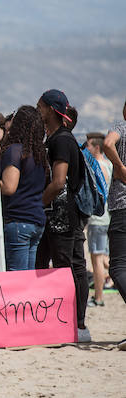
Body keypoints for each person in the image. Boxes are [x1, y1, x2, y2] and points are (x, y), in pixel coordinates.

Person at [34, 89, 92, 343]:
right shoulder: (56, 138)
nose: (37, 111)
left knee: (66, 268)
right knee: (60, 267)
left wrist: (38, 204)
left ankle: (75, 324)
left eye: (40, 107)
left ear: (50, 110)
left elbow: (58, 182)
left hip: (62, 217)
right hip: (58, 217)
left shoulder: (62, 141)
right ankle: (64, 323)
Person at [0, 106, 48, 271]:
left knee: (16, 279)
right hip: (37, 219)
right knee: (27, 280)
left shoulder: (15, 151)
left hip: (19, 219)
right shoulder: (39, 153)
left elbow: (9, 187)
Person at [100, 97, 126, 350]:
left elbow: (108, 143)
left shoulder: (122, 126)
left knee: (117, 268)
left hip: (123, 206)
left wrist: (119, 167)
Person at [85, 133, 112, 307]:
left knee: (96, 260)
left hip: (97, 218)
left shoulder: (97, 167)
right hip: (107, 217)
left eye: (88, 146)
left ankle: (99, 297)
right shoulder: (109, 165)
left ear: (96, 147)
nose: (86, 149)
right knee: (102, 257)